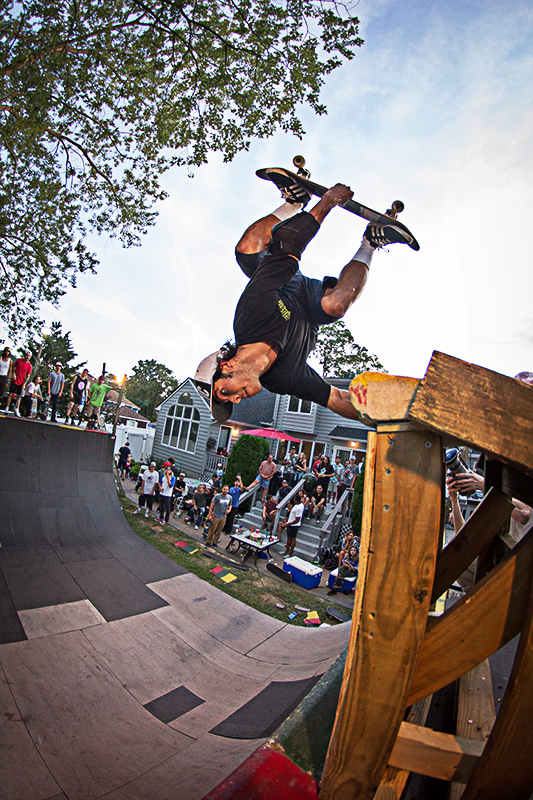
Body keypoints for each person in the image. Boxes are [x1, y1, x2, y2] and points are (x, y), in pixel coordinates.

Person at [195, 180, 416, 424]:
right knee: (335, 306)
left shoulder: (251, 316)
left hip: (286, 283)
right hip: (311, 308)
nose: (236, 400)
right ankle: (371, 242)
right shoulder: (282, 379)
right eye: (231, 402)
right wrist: (398, 419)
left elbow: (288, 245)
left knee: (248, 248)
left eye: (225, 392)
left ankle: (293, 203)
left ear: (226, 366)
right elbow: (335, 398)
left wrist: (329, 200)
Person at [5, 350, 32, 415]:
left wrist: (24, 384)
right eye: (27, 355)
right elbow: (13, 367)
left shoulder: (29, 365)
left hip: (21, 382)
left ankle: (17, 409)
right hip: (14, 380)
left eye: (29, 356)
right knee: (10, 394)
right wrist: (13, 374)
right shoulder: (19, 360)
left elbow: (28, 376)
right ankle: (7, 408)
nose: (27, 357)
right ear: (25, 355)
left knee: (18, 396)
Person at [280, 492, 304, 558]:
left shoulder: (298, 508)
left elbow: (297, 519)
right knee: (289, 538)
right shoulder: (300, 505)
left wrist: (289, 523)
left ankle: (290, 553)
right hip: (290, 523)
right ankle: (286, 551)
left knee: (293, 538)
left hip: (294, 525)